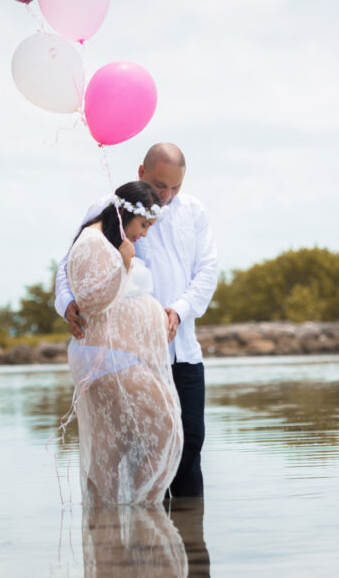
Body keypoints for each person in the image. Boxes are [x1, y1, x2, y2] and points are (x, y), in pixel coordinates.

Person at [57, 143, 218, 498]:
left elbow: (207, 271)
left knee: (189, 443)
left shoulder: (194, 211)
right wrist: (66, 301)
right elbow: (71, 261)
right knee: (126, 447)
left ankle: (188, 540)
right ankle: (136, 534)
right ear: (141, 172)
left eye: (176, 187)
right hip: (130, 355)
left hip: (182, 349)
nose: (168, 195)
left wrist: (179, 309)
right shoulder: (111, 207)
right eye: (161, 186)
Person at [63, 181, 183, 505]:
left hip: (117, 357)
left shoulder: (107, 240)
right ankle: (142, 512)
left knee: (109, 446)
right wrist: (126, 263)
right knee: (165, 430)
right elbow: (90, 298)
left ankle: (109, 536)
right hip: (109, 358)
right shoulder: (92, 242)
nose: (144, 234)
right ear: (125, 214)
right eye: (143, 225)